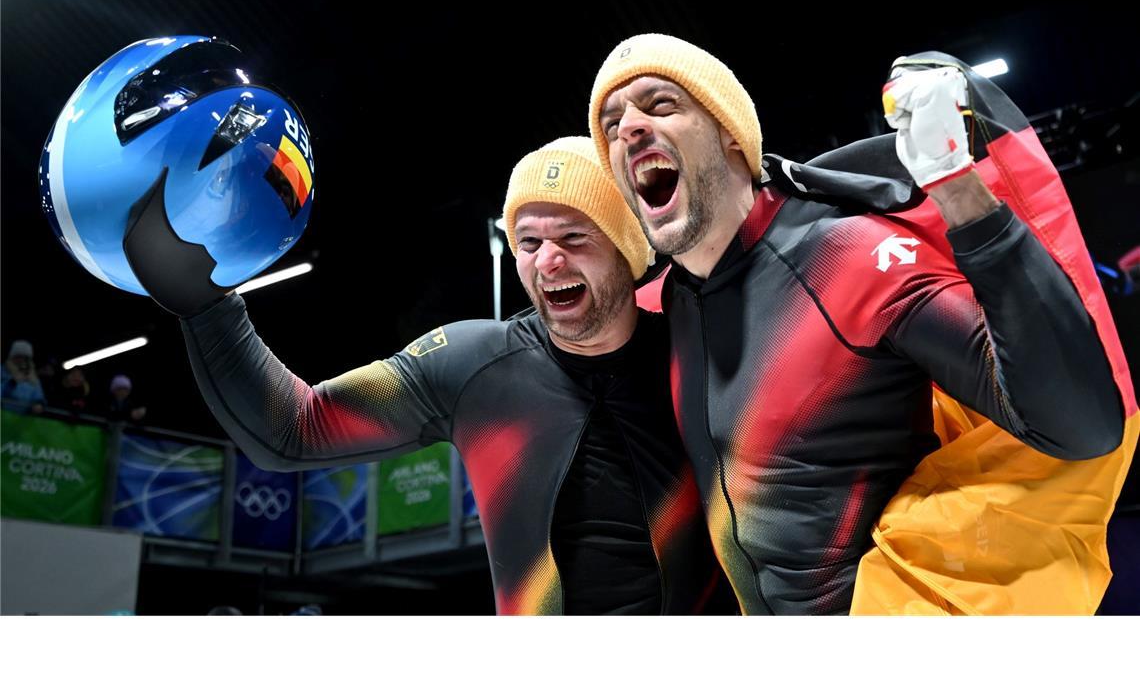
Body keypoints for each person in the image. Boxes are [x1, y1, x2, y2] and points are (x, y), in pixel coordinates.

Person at [588, 33, 1135, 614]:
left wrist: (958, 188)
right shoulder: (655, 312)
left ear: (729, 132)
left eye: (661, 104)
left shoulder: (848, 257)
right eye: (613, 121)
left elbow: (1080, 429)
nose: (629, 128)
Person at [121, 136, 731, 615]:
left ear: (628, 247)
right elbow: (297, 428)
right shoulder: (475, 365)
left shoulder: (695, 333)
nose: (548, 260)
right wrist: (206, 308)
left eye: (574, 237)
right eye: (527, 241)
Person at [1, 340, 46, 415]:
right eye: (19, 356)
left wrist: (39, 404)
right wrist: (12, 383)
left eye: (26, 358)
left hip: (21, 421)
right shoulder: (2, 371)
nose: (22, 360)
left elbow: (39, 396)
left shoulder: (33, 378)